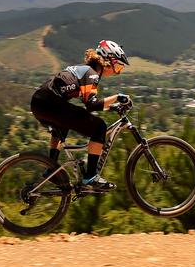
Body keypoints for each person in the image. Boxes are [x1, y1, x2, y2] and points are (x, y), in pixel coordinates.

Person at [30, 39, 130, 191]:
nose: (118, 72)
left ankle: (52, 169)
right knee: (99, 127)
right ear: (109, 61)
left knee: (62, 125)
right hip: (50, 104)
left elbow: (90, 103)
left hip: (39, 103)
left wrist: (111, 107)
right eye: (118, 67)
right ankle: (90, 177)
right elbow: (92, 105)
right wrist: (117, 97)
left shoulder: (85, 70)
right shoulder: (92, 74)